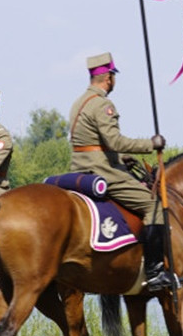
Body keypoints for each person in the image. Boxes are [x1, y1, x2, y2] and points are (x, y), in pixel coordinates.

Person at [67, 52, 175, 292]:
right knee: (153, 204)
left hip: (78, 169)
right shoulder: (103, 104)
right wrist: (151, 144)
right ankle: (156, 271)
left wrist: (125, 158)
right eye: (113, 76)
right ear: (108, 78)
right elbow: (114, 141)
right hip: (102, 170)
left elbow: (94, 142)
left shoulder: (79, 102)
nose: (114, 80)